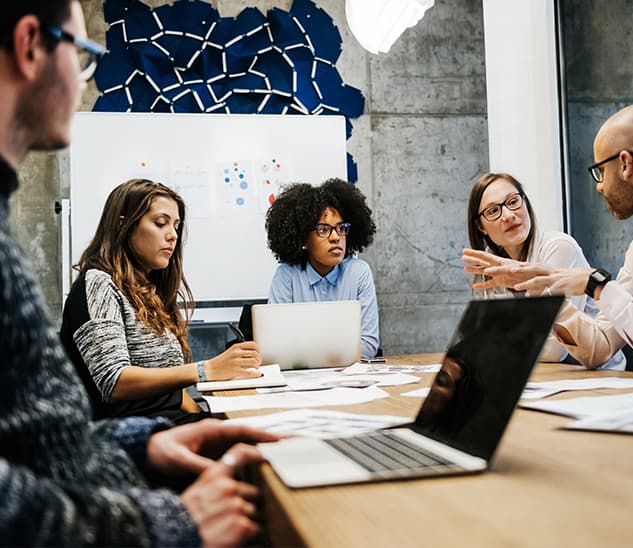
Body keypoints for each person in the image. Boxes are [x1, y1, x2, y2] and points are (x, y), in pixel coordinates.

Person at [0, 2, 280, 545]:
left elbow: (34, 440)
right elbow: (109, 385)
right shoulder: (98, 282)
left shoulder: (147, 288)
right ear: (31, 44)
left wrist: (140, 445)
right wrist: (161, 525)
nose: (84, 83)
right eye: (82, 56)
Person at [473, 104, 633, 381]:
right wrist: (545, 287)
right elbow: (598, 349)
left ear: (625, 164)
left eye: (600, 170)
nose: (599, 186)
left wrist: (596, 284)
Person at [61, 178, 262, 421]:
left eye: (176, 226)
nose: (172, 236)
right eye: (160, 223)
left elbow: (169, 389)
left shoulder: (147, 292)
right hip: (131, 435)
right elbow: (114, 382)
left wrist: (206, 416)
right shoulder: (98, 284)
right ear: (123, 226)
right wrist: (205, 370)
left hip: (166, 423)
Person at [462, 172, 624, 368]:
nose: (508, 215)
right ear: (481, 227)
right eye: (493, 211)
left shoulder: (559, 247)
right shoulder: (490, 262)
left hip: (597, 376)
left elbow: (555, 350)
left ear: (526, 204)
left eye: (513, 202)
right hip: (540, 376)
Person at [265, 178, 380, 358]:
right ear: (304, 240)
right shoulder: (287, 276)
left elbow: (368, 345)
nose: (335, 237)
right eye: (323, 230)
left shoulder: (359, 273)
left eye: (341, 228)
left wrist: (307, 352)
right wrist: (337, 352)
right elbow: (277, 346)